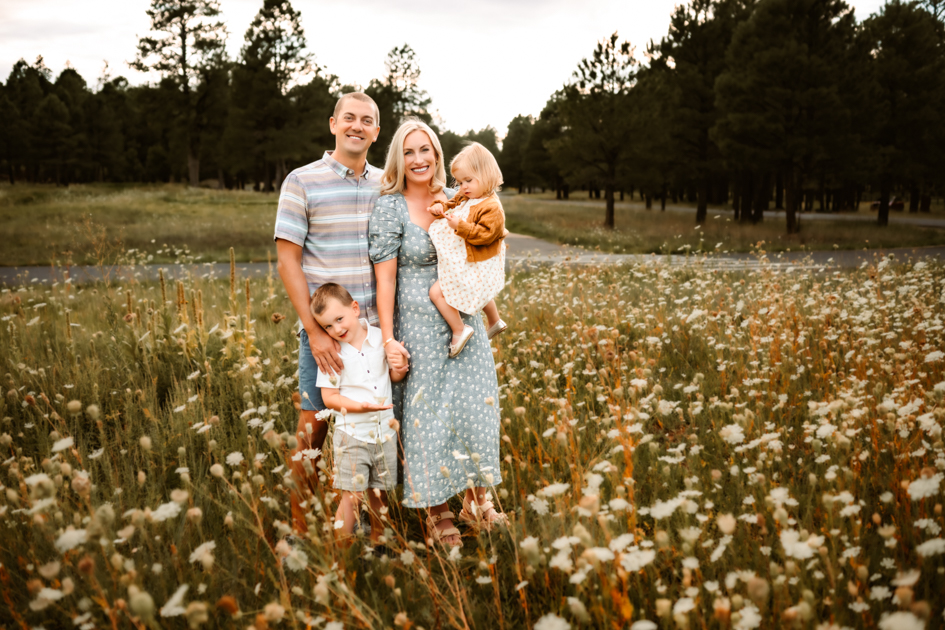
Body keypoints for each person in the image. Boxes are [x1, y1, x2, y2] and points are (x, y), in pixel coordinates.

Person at [369, 119, 507, 547]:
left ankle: (477, 500)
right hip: (417, 326)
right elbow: (385, 280)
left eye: (425, 149)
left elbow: (483, 250)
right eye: (408, 152)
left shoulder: (455, 197)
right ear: (399, 159)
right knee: (428, 417)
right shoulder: (389, 207)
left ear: (437, 154)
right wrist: (390, 339)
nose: (418, 159)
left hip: (461, 319)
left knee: (475, 409)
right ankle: (437, 511)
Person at [273, 92, 398, 534]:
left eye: (367, 120)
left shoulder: (388, 183)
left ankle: (375, 529)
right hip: (325, 333)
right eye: (349, 118)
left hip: (377, 335)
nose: (357, 126)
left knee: (382, 426)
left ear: (376, 132)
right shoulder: (302, 181)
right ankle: (301, 532)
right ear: (333, 124)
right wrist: (315, 331)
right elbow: (288, 260)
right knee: (314, 431)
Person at [309, 283, 407, 546]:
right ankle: (339, 550)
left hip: (384, 433)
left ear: (354, 308)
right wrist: (359, 407)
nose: (336, 330)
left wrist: (401, 367)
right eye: (328, 326)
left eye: (339, 320)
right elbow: (329, 398)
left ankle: (380, 545)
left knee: (380, 495)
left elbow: (393, 377)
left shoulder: (379, 337)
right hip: (351, 435)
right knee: (351, 496)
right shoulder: (333, 353)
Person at [426, 142, 509, 357]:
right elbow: (451, 204)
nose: (462, 186)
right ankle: (494, 320)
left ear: (486, 174)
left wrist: (459, 226)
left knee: (436, 292)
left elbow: (485, 235)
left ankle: (459, 329)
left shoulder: (491, 207)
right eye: (460, 181)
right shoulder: (468, 195)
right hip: (470, 259)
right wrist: (440, 207)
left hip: (479, 259)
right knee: (478, 288)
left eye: (468, 180)